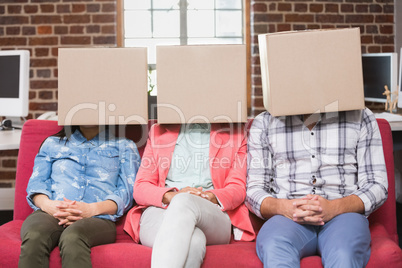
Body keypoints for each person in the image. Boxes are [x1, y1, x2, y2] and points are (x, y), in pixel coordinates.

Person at [246, 109, 388, 267]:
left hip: (344, 216)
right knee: (274, 246)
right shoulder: (264, 122)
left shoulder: (361, 116)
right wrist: (284, 207)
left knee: (343, 253)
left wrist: (334, 208)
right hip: (287, 218)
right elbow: (254, 189)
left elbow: (377, 184)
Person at [124, 122, 255, 268]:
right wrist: (172, 196)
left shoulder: (235, 133)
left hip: (211, 211)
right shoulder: (158, 131)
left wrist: (206, 196)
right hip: (160, 211)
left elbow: (237, 189)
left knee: (185, 201)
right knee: (194, 241)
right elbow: (141, 187)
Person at [19, 125, 140, 268]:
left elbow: (127, 192)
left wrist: (92, 209)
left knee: (73, 237)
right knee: (35, 235)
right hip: (50, 212)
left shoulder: (125, 146)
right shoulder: (52, 143)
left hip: (98, 218)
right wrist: (48, 206)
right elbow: (37, 183)